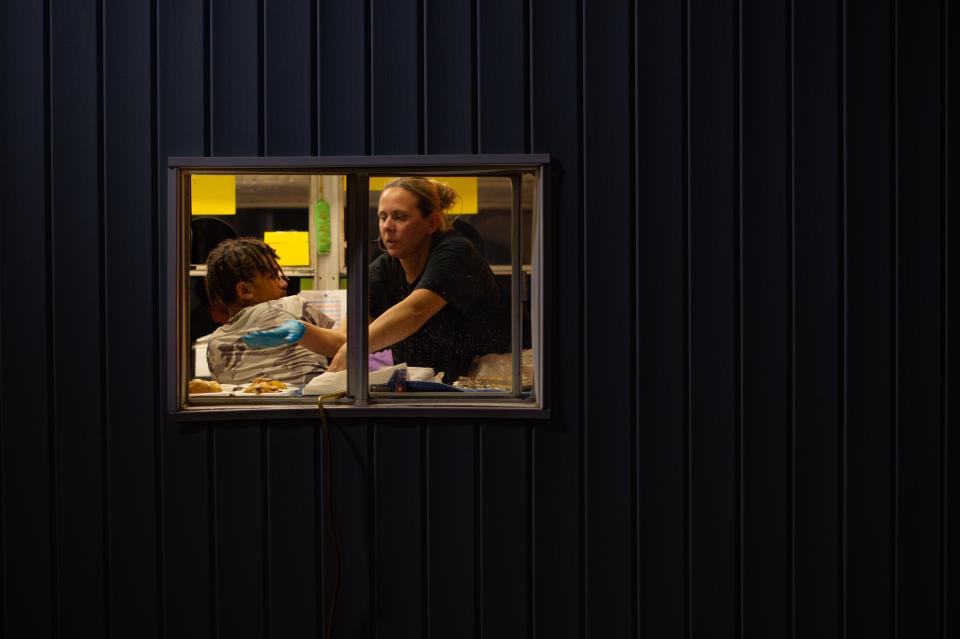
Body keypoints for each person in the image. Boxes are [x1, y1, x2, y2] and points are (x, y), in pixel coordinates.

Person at [327, 177, 510, 383]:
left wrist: (354, 347)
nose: (387, 226)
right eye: (382, 216)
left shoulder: (456, 253)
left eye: (399, 217)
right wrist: (299, 329)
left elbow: (415, 311)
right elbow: (345, 339)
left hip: (495, 389)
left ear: (431, 223)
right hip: (426, 391)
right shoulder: (383, 270)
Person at [202, 237, 345, 385]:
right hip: (311, 405)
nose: (283, 283)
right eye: (273, 276)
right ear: (245, 290)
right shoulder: (292, 307)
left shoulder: (214, 342)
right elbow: (344, 348)